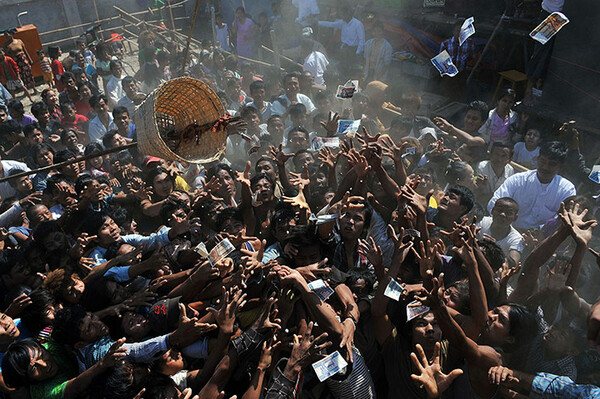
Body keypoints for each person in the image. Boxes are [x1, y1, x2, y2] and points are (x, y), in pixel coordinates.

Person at [489, 141, 576, 230]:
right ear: (537, 159)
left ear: (561, 166)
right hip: (508, 230)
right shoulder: (517, 180)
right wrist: (507, 226)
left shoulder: (567, 190)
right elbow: (493, 203)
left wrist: (538, 231)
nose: (545, 167)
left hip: (542, 237)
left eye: (552, 164)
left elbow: (562, 219)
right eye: (543, 161)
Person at [3, 29, 36, 94]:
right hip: (15, 61)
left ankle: (34, 88)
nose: (6, 37)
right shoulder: (6, 45)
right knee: (20, 76)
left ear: (11, 34)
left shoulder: (19, 41)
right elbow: (6, 55)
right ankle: (25, 90)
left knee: (29, 73)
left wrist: (30, 60)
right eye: (5, 36)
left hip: (23, 59)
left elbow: (25, 51)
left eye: (7, 35)